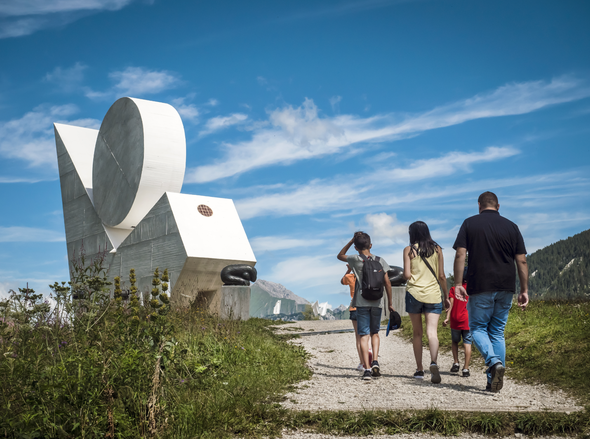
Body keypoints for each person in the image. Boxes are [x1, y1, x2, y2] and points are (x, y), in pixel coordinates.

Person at [452, 191, 529, 393]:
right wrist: (524, 290)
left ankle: (493, 362)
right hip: (506, 286)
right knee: (497, 332)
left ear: (479, 205)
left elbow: (461, 253)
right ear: (498, 206)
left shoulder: (469, 223)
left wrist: (458, 283)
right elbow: (521, 260)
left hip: (480, 285)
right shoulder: (512, 227)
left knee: (477, 328)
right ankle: (492, 382)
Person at [338, 231, 394, 380]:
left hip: (361, 303)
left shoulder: (355, 259)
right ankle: (375, 361)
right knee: (375, 333)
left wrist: (351, 241)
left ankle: (367, 369)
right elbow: (387, 283)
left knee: (363, 336)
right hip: (377, 302)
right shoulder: (380, 260)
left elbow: (339, 255)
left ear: (356, 247)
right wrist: (390, 303)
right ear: (370, 245)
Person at [402, 221, 449, 384]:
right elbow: (442, 275)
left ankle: (419, 369)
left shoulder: (409, 250)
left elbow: (407, 275)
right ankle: (434, 362)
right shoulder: (437, 249)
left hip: (414, 293)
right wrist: (446, 296)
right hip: (433, 294)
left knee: (417, 333)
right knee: (432, 333)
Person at [443, 266, 471, 377]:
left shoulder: (454, 289)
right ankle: (466, 369)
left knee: (455, 341)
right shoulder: (471, 289)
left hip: (455, 319)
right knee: (467, 343)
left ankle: (456, 363)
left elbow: (451, 305)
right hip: (468, 320)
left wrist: (447, 318)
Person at [341, 264, 368, 371]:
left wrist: (348, 270)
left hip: (354, 308)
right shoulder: (368, 276)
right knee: (367, 336)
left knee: (358, 337)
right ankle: (370, 361)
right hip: (366, 307)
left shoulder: (350, 277)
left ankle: (362, 363)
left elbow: (342, 281)